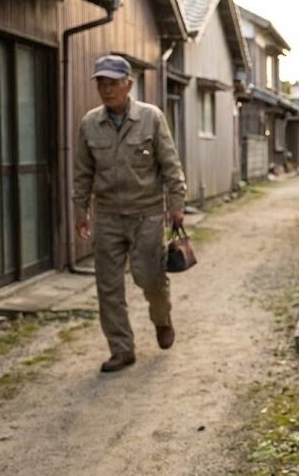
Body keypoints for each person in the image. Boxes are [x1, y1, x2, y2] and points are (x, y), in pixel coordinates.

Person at [73, 54, 187, 373]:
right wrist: (81, 210)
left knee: (150, 278)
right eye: (101, 84)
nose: (107, 90)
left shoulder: (151, 118)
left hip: (146, 214)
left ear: (129, 85)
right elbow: (82, 173)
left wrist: (176, 206)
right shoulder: (90, 124)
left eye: (113, 83)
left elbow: (171, 165)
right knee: (108, 286)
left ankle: (162, 320)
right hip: (108, 216)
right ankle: (122, 349)